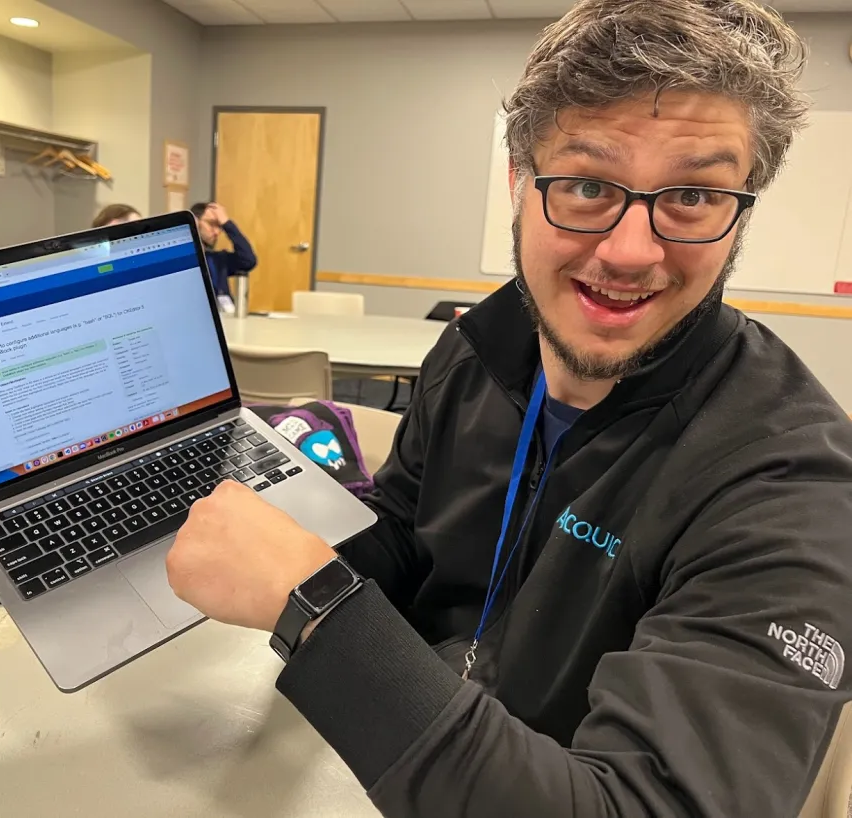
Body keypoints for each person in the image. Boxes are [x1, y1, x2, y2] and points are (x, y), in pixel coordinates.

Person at [165, 1, 852, 815]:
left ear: (741, 215)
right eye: (589, 185)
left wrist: (313, 605)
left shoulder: (792, 492)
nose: (632, 250)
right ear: (520, 183)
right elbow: (407, 537)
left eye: (694, 197)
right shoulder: (475, 352)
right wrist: (275, 551)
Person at [189, 201, 257, 298]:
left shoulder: (219, 260)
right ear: (195, 222)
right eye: (211, 224)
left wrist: (227, 223)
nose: (217, 232)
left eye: (219, 226)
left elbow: (249, 260)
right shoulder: (186, 262)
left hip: (225, 312)